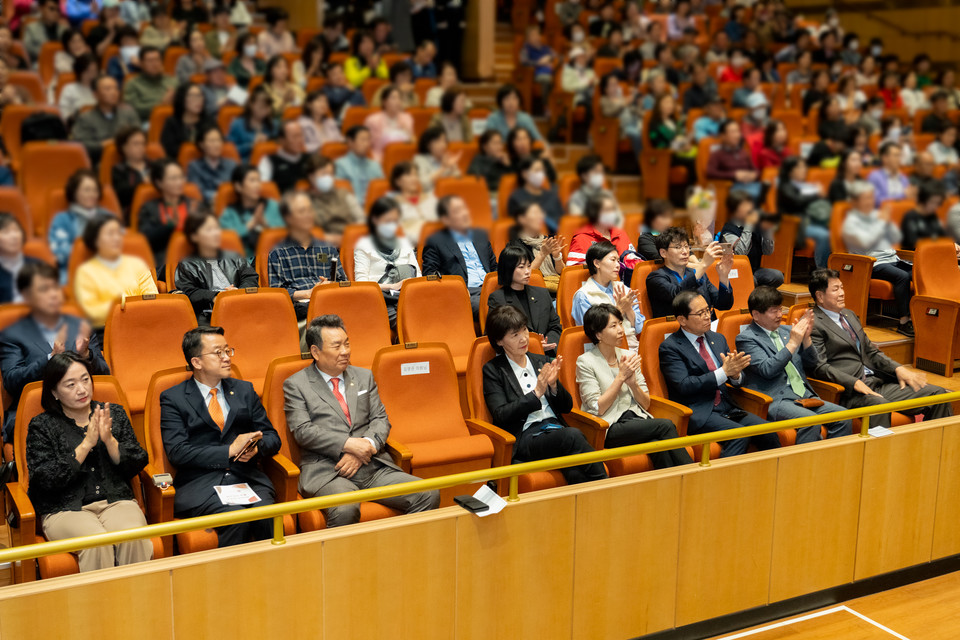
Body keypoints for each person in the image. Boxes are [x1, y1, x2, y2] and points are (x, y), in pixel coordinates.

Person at [283, 314, 439, 526]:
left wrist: (365, 446)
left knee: (428, 493)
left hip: (371, 465)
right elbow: (303, 431)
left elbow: (380, 419)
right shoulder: (296, 384)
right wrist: (348, 445)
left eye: (347, 344)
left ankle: (399, 553)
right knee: (346, 508)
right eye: (337, 346)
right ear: (315, 352)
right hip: (330, 471)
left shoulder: (363, 376)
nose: (345, 351)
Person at [26, 352, 151, 572]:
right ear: (54, 392)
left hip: (115, 502)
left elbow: (138, 461)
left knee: (134, 536)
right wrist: (86, 444)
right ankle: (99, 606)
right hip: (65, 509)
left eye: (85, 379)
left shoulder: (114, 413)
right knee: (96, 542)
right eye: (70, 384)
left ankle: (135, 602)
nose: (82, 389)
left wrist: (109, 441)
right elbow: (45, 478)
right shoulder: (42, 426)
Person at [160, 326, 281, 547]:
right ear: (196, 362)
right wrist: (229, 450)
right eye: (218, 353)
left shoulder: (244, 390)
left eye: (228, 351)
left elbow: (273, 437)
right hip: (202, 485)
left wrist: (256, 449)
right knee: (235, 520)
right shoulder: (173, 398)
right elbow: (177, 451)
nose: (227, 358)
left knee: (269, 516)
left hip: (247, 479)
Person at [808, 269, 951, 427]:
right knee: (879, 406)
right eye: (835, 289)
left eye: (842, 287)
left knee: (938, 395)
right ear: (820, 296)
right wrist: (853, 382)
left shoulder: (849, 315)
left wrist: (898, 369)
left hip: (877, 382)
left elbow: (871, 352)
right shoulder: (813, 323)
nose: (842, 293)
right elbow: (819, 366)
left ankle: (935, 450)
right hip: (850, 391)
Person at [483, 305, 607, 485]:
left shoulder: (540, 360)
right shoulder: (494, 370)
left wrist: (554, 385)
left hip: (555, 429)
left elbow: (566, 407)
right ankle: (607, 486)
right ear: (500, 341)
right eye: (514, 335)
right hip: (526, 436)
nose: (524, 338)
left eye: (524, 330)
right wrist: (536, 393)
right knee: (572, 436)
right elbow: (501, 414)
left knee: (575, 472)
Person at [660, 291, 780, 457]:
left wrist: (736, 375)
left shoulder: (718, 338)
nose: (707, 316)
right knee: (739, 435)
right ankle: (720, 481)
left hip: (728, 406)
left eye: (708, 310)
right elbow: (684, 385)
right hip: (699, 412)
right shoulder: (671, 347)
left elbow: (735, 377)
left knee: (769, 431)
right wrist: (724, 372)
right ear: (682, 320)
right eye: (700, 313)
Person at [0, 261, 109, 441]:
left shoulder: (80, 326)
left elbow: (105, 374)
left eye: (55, 288)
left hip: (82, 409)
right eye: (43, 289)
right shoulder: (12, 334)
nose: (52, 294)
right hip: (38, 412)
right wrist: (51, 358)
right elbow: (12, 381)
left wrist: (86, 356)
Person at [576, 304, 693, 468]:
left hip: (637, 420)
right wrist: (621, 378)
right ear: (598, 334)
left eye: (620, 323)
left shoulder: (629, 356)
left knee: (657, 446)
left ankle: (673, 488)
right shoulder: (585, 362)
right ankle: (692, 472)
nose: (620, 330)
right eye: (613, 326)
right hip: (609, 426)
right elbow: (597, 408)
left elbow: (645, 404)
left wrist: (633, 384)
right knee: (665, 425)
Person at [736, 287, 852, 444]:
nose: (779, 315)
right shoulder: (746, 339)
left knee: (843, 416)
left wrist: (806, 339)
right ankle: (802, 467)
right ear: (756, 315)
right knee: (810, 421)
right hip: (776, 399)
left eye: (780, 309)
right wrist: (792, 343)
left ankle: (830, 462)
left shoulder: (787, 330)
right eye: (773, 311)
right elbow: (767, 369)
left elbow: (812, 364)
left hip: (805, 395)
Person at [842, 181, 915, 336]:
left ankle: (918, 318)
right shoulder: (851, 222)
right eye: (865, 198)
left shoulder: (877, 216)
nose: (869, 201)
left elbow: (896, 237)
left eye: (871, 198)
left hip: (892, 258)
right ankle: (903, 322)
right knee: (902, 277)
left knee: (917, 273)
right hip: (871, 263)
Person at [268, 192, 345, 321]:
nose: (308, 215)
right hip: (301, 311)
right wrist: (309, 293)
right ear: (288, 218)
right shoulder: (278, 252)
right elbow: (277, 293)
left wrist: (330, 285)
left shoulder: (327, 247)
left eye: (310, 210)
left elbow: (343, 281)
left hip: (332, 303)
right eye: (302, 211)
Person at [74, 214, 158, 330]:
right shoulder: (86, 272)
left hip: (143, 325)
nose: (117, 238)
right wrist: (123, 305)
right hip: (107, 330)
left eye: (118, 233)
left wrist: (125, 306)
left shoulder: (137, 264)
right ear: (96, 240)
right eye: (110, 234)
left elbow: (152, 299)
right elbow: (91, 311)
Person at [421, 195, 497, 318]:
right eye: (457, 211)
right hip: (467, 293)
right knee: (492, 306)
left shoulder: (480, 237)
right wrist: (455, 289)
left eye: (464, 209)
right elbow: (430, 275)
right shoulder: (436, 242)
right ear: (445, 219)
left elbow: (494, 267)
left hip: (492, 289)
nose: (464, 213)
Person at [175, 210, 258, 322]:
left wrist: (238, 292)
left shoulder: (234, 256)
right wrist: (217, 296)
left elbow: (250, 277)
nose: (216, 233)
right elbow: (188, 292)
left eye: (217, 228)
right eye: (209, 230)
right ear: (194, 236)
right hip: (208, 318)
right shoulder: (187, 264)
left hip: (242, 309)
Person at [353, 197, 420, 328]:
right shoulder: (363, 246)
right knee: (409, 322)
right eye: (387, 221)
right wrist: (393, 286)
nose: (392, 225)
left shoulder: (404, 243)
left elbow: (418, 275)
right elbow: (360, 284)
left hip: (410, 297)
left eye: (395, 221)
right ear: (375, 220)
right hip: (381, 300)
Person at [488, 243, 562, 354]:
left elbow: (555, 326)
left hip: (546, 354)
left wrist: (547, 343)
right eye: (521, 267)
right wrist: (534, 345)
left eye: (528, 266)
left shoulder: (541, 293)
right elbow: (495, 336)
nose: (528, 271)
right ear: (508, 269)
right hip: (516, 356)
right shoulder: (498, 299)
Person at [647, 228, 733, 319]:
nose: (685, 252)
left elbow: (724, 305)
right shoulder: (655, 278)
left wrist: (723, 276)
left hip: (706, 328)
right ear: (663, 253)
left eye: (687, 246)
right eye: (678, 247)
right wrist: (703, 264)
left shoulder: (699, 274)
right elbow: (677, 296)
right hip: (676, 330)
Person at [572, 241, 644, 349]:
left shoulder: (624, 289)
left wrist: (628, 309)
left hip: (632, 347)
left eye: (618, 261)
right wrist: (619, 309)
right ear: (597, 263)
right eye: (613, 260)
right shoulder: (583, 296)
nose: (618, 265)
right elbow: (593, 332)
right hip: (602, 352)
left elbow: (640, 328)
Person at [48, 170, 115, 281]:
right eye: (86, 190)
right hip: (75, 270)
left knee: (141, 286)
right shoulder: (62, 219)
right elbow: (60, 253)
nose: (92, 194)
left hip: (110, 267)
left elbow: (124, 244)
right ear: (74, 192)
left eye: (95, 190)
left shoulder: (108, 216)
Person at [70, 74, 140, 165]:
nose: (113, 92)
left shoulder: (129, 113)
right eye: (107, 89)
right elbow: (81, 145)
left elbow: (140, 137)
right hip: (98, 162)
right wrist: (102, 145)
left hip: (128, 162)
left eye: (116, 88)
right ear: (95, 95)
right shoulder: (85, 118)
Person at [138, 158, 198, 265]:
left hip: (195, 259)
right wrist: (169, 226)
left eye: (181, 177)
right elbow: (145, 239)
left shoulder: (195, 205)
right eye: (173, 178)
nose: (179, 182)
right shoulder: (149, 208)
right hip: (163, 260)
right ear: (159, 183)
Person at [718, 190, 783, 288]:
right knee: (751, 279)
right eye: (745, 206)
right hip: (733, 271)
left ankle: (758, 296)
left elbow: (768, 251)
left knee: (777, 276)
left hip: (753, 269)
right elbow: (740, 254)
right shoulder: (728, 230)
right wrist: (749, 225)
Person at [219, 164, 285, 259]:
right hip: (244, 262)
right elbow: (227, 239)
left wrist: (265, 224)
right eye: (252, 180)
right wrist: (251, 224)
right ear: (238, 186)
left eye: (258, 180)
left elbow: (285, 233)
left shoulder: (272, 205)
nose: (257, 185)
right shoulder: (229, 213)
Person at [777, 157, 832, 268]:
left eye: (804, 166)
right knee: (824, 235)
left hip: (811, 220)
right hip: (795, 225)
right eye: (800, 167)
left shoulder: (804, 185)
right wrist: (816, 193)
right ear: (791, 170)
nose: (804, 170)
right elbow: (797, 202)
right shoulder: (785, 186)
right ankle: (822, 271)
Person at [508, 201, 564, 293]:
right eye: (535, 213)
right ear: (522, 219)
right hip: (533, 293)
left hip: (557, 290)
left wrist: (557, 257)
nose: (541, 217)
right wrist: (542, 254)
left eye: (541, 213)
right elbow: (522, 276)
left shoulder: (547, 240)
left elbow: (561, 272)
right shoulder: (515, 246)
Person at [567, 194, 635, 268]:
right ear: (594, 213)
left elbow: (634, 261)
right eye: (607, 210)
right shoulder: (581, 238)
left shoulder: (620, 233)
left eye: (613, 210)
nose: (612, 214)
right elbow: (574, 273)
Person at [706, 119, 764, 203]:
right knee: (755, 194)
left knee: (771, 191)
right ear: (723, 136)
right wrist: (734, 175)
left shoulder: (743, 152)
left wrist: (753, 175)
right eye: (733, 132)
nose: (737, 135)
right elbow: (710, 172)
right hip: (732, 186)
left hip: (749, 183)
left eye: (738, 131)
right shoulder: (717, 154)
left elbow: (756, 170)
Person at [506, 158, 564, 233]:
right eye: (537, 170)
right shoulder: (516, 198)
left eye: (542, 170)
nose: (541, 174)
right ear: (525, 174)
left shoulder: (552, 196)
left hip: (556, 239)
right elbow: (516, 226)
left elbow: (562, 221)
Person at [334, 125, 385, 209]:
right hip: (351, 208)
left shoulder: (375, 165)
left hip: (376, 208)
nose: (366, 144)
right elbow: (340, 194)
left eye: (368, 139)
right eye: (362, 140)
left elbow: (382, 190)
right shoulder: (340, 164)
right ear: (350, 142)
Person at [121, 45, 176, 122]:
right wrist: (161, 105)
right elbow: (132, 109)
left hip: (174, 120)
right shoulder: (132, 84)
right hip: (146, 121)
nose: (155, 64)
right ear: (141, 63)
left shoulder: (172, 81)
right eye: (150, 61)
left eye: (157, 60)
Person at [186, 124, 237, 205]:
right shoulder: (194, 166)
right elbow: (197, 192)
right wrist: (219, 196)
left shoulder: (231, 165)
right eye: (212, 141)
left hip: (228, 206)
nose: (217, 145)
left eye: (219, 140)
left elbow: (236, 190)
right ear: (202, 144)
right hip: (204, 208)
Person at [226, 86, 279, 164]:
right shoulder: (238, 124)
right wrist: (251, 145)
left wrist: (270, 141)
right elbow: (230, 151)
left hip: (271, 163)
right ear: (251, 105)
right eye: (261, 107)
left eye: (267, 107)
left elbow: (280, 146)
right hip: (246, 164)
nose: (264, 111)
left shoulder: (274, 124)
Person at [388, 161, 437, 243]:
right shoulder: (392, 204)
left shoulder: (431, 198)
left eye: (416, 174)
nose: (414, 178)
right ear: (398, 181)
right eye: (409, 175)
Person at [363, 85, 414, 163]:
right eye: (393, 98)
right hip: (380, 157)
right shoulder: (373, 120)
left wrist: (407, 133)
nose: (398, 101)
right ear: (384, 102)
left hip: (404, 158)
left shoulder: (407, 118)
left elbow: (413, 141)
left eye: (400, 98)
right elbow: (368, 145)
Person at [160, 82, 210, 160]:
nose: (198, 100)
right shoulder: (172, 123)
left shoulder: (209, 122)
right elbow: (168, 151)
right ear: (182, 99)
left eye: (200, 96)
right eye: (193, 96)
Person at [257, 120, 308, 195]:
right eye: (295, 136)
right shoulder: (268, 161)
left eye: (301, 135)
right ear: (282, 140)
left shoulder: (310, 158)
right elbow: (263, 189)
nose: (300, 140)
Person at [902, 182, 954, 252]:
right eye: (933, 202)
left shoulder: (933, 215)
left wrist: (951, 245)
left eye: (937, 203)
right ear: (923, 200)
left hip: (933, 254)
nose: (935, 206)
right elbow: (913, 243)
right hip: (914, 258)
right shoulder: (910, 217)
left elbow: (943, 237)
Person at [599, 73, 644, 155]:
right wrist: (623, 105)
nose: (616, 87)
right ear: (605, 88)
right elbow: (608, 113)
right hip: (622, 128)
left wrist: (641, 108)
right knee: (638, 134)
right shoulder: (604, 100)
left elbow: (633, 111)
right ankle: (641, 162)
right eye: (612, 84)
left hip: (634, 122)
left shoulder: (621, 98)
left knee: (648, 130)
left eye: (616, 84)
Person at [111, 126, 150, 219]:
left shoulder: (155, 166)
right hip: (132, 215)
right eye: (136, 144)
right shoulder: (118, 170)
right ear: (124, 147)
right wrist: (142, 183)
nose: (141, 147)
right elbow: (121, 196)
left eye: (143, 144)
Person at [412, 127, 461, 196]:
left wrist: (453, 167)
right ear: (428, 144)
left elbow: (459, 179)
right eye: (438, 141)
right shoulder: (419, 160)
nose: (443, 145)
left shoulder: (448, 158)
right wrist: (443, 168)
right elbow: (422, 184)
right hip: (429, 197)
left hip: (449, 195)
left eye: (444, 141)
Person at [467, 130, 512, 196]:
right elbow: (477, 180)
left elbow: (512, 182)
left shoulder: (504, 159)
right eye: (495, 143)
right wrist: (493, 161)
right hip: (486, 194)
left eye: (500, 143)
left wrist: (508, 165)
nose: (499, 147)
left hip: (505, 193)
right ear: (485, 147)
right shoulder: (478, 159)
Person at [867, 142, 913, 207]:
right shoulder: (875, 177)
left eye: (900, 155)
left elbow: (910, 198)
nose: (899, 159)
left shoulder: (904, 178)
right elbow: (877, 201)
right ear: (885, 158)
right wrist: (902, 195)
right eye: (896, 155)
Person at [59, 53, 98, 123]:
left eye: (94, 71)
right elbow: (64, 114)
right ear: (80, 71)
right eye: (88, 71)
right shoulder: (69, 89)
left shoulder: (100, 88)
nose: (91, 75)